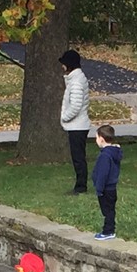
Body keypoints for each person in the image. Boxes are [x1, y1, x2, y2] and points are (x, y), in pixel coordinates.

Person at [59, 49, 92, 194]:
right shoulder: (76, 79)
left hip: (77, 126)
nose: (62, 66)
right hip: (78, 125)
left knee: (78, 158)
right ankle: (80, 185)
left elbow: (76, 105)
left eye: (64, 63)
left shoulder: (77, 82)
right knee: (78, 157)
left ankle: (81, 187)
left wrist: (65, 117)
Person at [91, 124, 122, 242]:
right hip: (112, 187)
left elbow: (103, 173)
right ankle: (109, 228)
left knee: (107, 210)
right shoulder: (114, 153)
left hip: (105, 188)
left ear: (101, 139)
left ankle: (108, 231)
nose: (96, 140)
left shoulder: (105, 156)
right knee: (110, 209)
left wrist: (99, 188)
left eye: (96, 138)